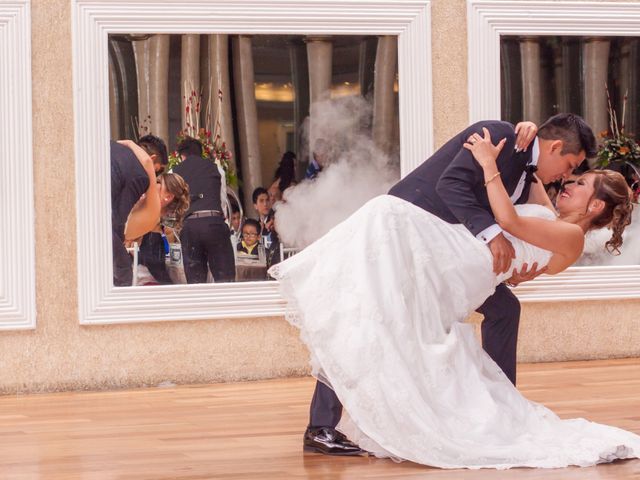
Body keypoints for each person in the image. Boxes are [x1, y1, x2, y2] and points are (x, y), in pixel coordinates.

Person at [269, 120, 637, 467]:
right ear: (555, 146)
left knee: (471, 314)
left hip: (457, 264)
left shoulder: (560, 225)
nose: (568, 178)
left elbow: (516, 231)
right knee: (365, 316)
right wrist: (521, 132)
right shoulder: (506, 144)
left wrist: (512, 269)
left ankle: (498, 408)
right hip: (429, 245)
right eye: (572, 167)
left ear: (595, 206)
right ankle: (322, 425)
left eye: (580, 181)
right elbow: (467, 192)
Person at [172, 137, 235, 283]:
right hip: (214, 223)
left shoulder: (173, 171)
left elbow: (174, 205)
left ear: (182, 156)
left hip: (190, 227)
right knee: (225, 280)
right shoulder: (216, 168)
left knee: (195, 282)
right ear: (201, 154)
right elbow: (222, 200)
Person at [110, 137, 167, 286]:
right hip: (106, 230)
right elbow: (116, 221)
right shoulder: (140, 175)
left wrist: (129, 143)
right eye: (157, 172)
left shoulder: (110, 148)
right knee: (123, 272)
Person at [130, 173, 190, 285]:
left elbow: (166, 260)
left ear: (168, 197)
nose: (153, 185)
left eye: (158, 183)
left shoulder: (165, 221)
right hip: (141, 278)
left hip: (152, 279)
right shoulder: (143, 210)